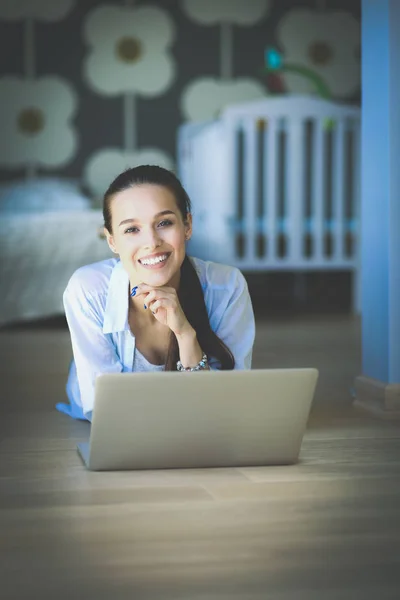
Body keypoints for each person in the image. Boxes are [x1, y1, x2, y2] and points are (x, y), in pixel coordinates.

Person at [56, 165, 255, 421]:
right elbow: (103, 408)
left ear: (187, 225)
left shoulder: (227, 286)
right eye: (131, 229)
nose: (151, 242)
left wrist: (185, 334)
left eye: (164, 223)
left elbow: (231, 402)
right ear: (112, 240)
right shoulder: (88, 289)